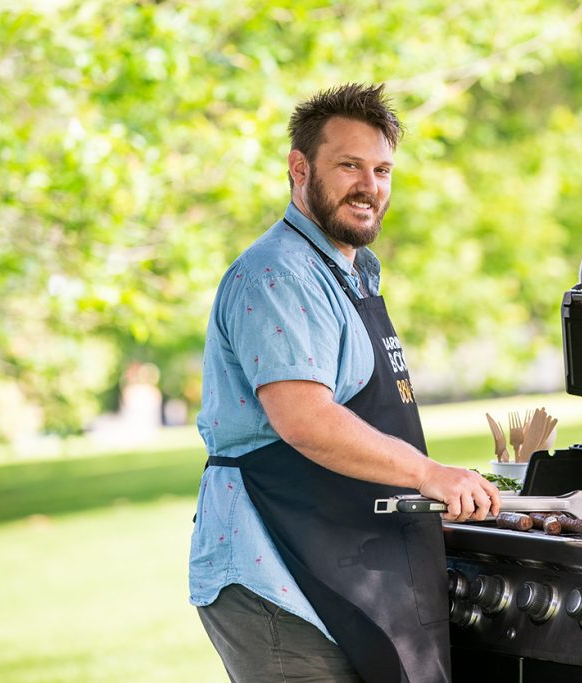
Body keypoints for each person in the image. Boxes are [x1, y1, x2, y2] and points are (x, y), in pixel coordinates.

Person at [189, 83, 502, 683]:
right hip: (277, 570)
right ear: (299, 169)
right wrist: (429, 474)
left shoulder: (351, 273)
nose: (370, 185)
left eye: (382, 169)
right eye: (349, 165)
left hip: (344, 556)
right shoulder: (279, 273)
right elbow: (304, 419)